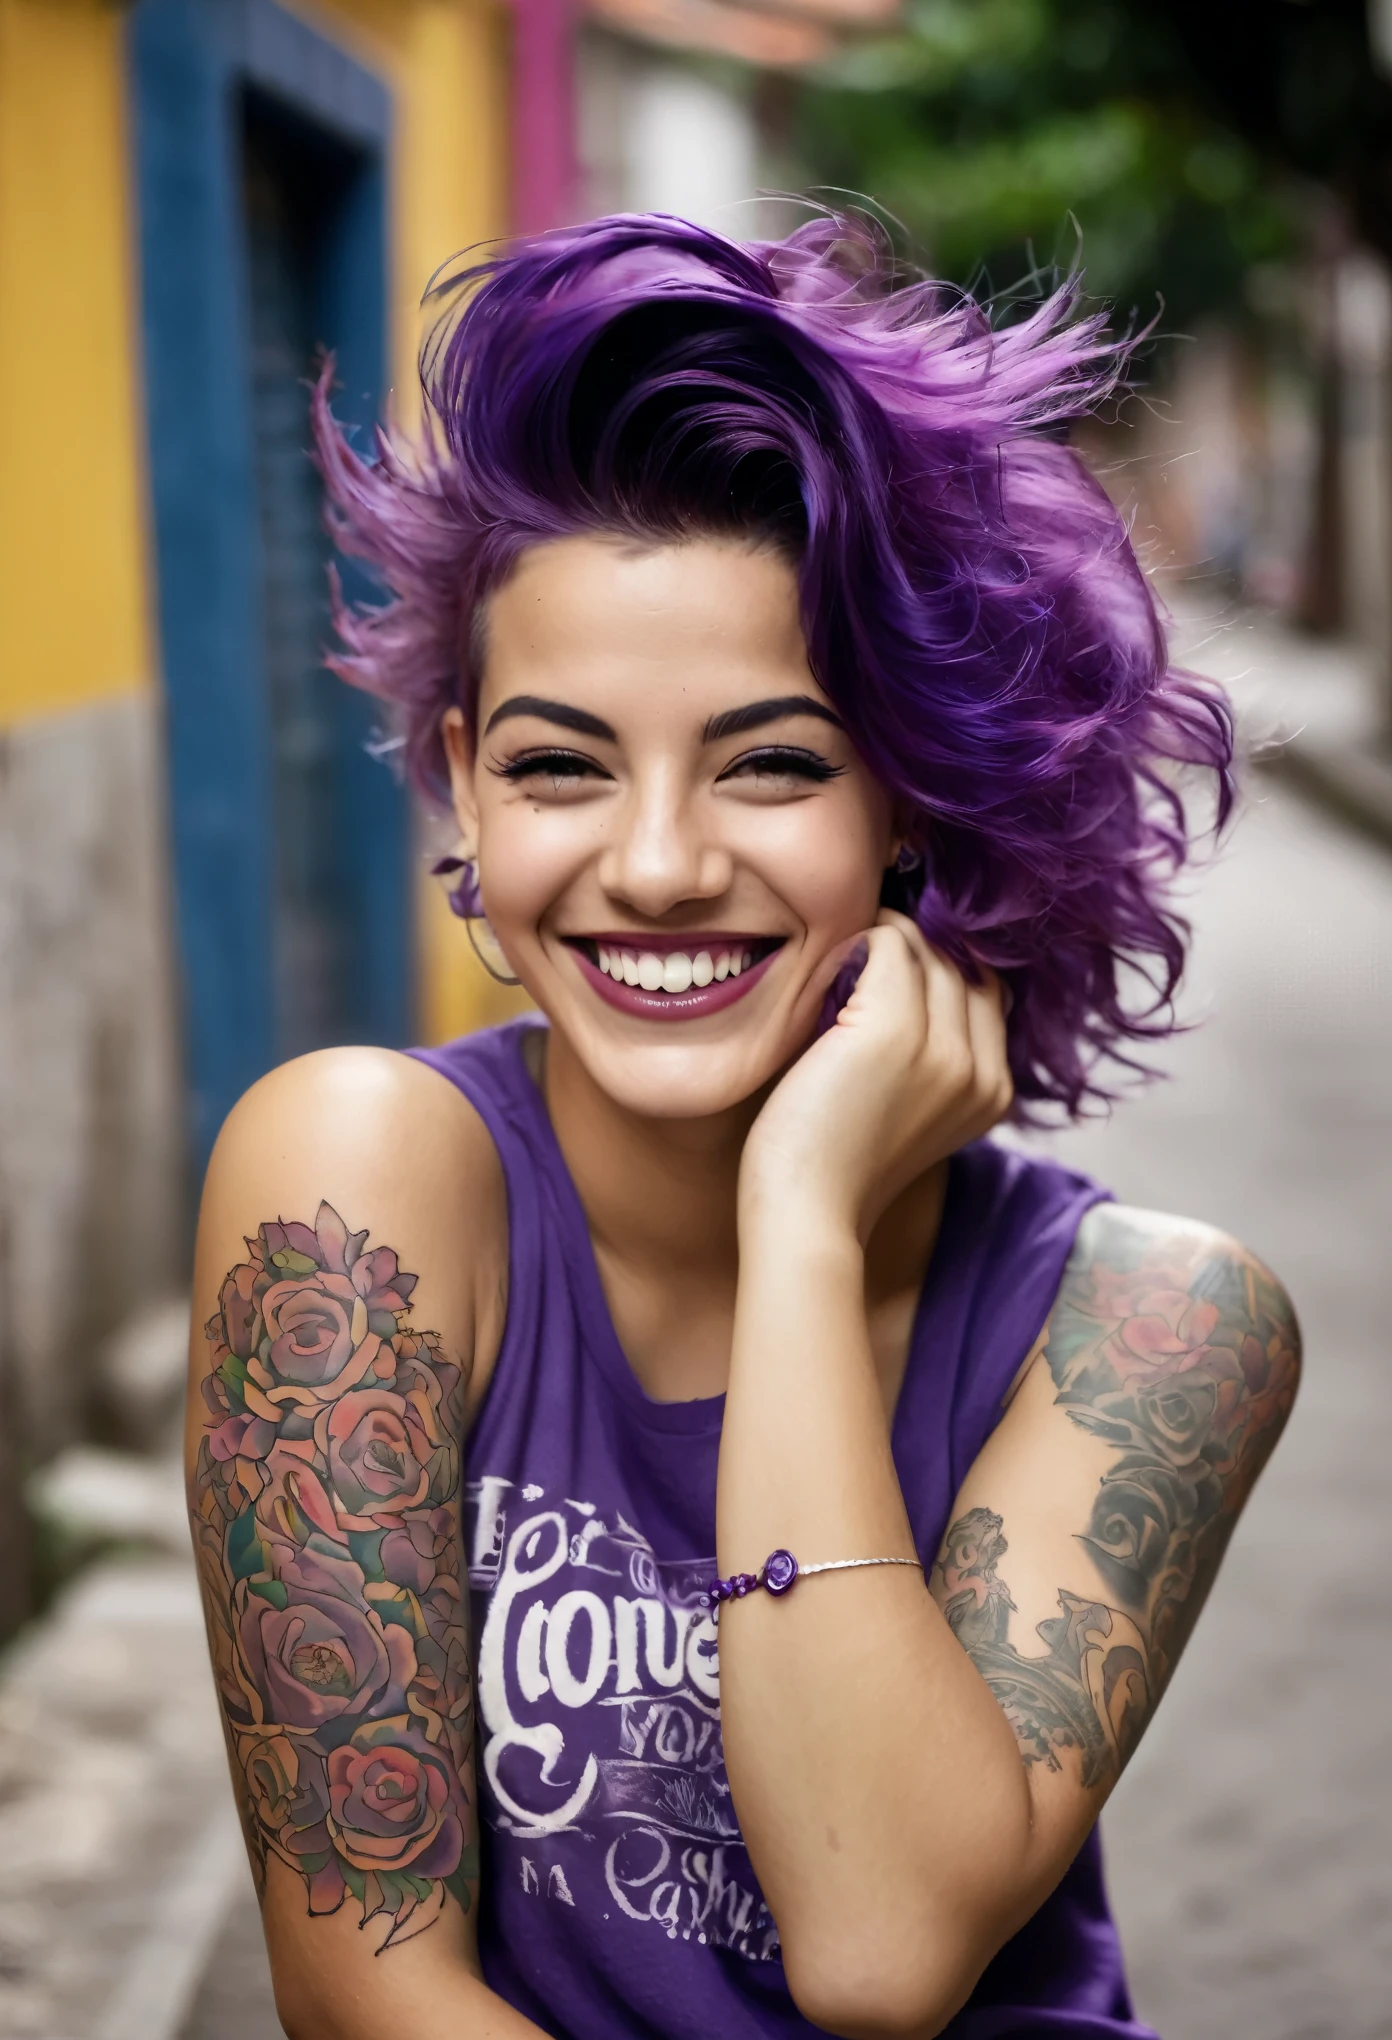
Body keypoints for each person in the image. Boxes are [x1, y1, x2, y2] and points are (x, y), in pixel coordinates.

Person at [186, 212, 1299, 2040]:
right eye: (560, 765)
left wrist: (800, 1220)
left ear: (915, 805)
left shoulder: (1155, 1329)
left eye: (773, 762)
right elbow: (363, 1997)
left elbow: (879, 1952)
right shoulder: (359, 1187)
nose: (655, 868)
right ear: (466, 785)